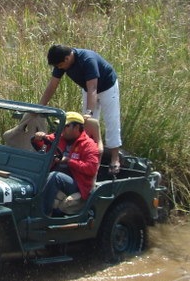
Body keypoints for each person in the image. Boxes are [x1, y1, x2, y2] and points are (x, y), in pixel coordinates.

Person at [38, 44, 122, 174]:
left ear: (67, 59)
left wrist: (89, 112)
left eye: (60, 66)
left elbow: (93, 88)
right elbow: (52, 85)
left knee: (111, 120)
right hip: (88, 89)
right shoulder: (61, 62)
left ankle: (115, 158)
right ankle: (90, 158)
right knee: (88, 126)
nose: (59, 69)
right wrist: (40, 106)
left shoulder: (88, 60)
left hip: (107, 87)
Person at [31, 112, 100, 217]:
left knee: (55, 177)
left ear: (76, 127)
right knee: (34, 172)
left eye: (65, 126)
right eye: (61, 126)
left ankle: (42, 214)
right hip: (58, 175)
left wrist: (69, 161)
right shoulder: (59, 137)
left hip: (78, 183)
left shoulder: (89, 145)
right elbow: (43, 144)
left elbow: (91, 168)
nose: (61, 129)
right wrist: (37, 138)